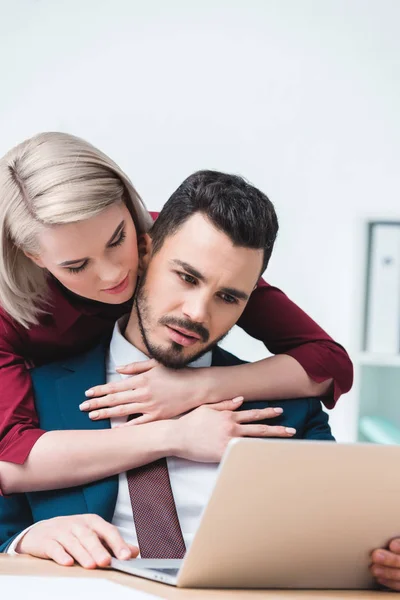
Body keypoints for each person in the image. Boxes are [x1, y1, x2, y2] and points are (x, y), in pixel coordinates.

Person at [0, 170, 334, 569]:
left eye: (228, 297)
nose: (197, 313)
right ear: (144, 252)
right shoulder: (33, 399)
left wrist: (382, 560)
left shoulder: (293, 409)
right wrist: (26, 538)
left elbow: (341, 537)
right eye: (186, 277)